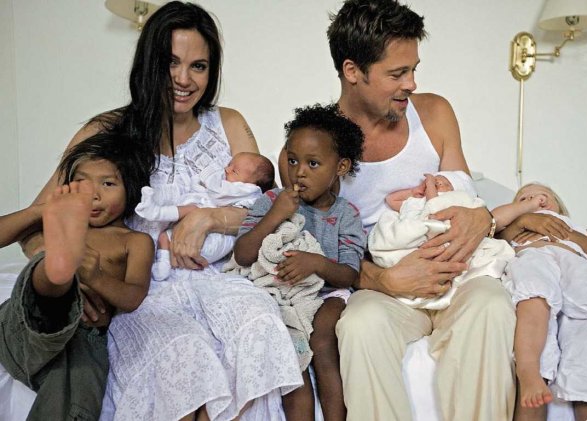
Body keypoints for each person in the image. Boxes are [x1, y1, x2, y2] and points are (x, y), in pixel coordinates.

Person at [18, 2, 303, 420]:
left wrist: (210, 217)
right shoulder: (106, 129)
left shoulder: (229, 123)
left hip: (220, 281)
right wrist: (77, 278)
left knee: (258, 324)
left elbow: (266, 209)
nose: (184, 79)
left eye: (199, 66)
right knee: (183, 353)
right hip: (145, 290)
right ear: (149, 62)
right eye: (171, 62)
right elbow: (36, 225)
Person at [279, 1, 517, 419]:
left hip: (460, 275)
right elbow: (315, 247)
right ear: (352, 71)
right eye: (397, 73)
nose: (411, 83)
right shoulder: (313, 151)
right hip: (383, 285)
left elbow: (464, 194)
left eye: (413, 69)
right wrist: (384, 279)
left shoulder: (435, 113)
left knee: (492, 305)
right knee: (359, 325)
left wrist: (484, 218)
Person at [0, 133, 153, 420]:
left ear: (131, 190)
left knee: (78, 396)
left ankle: (60, 270)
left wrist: (95, 276)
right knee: (46, 276)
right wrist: (41, 210)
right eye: (81, 184)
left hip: (82, 336)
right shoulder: (62, 220)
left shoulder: (134, 241)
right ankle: (58, 271)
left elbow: (134, 296)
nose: (93, 194)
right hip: (24, 323)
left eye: (108, 184)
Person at [235, 104, 365, 421]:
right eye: (293, 160)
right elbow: (243, 254)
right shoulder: (271, 201)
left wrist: (316, 263)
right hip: (280, 296)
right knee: (292, 353)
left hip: (328, 293)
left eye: (313, 163)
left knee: (322, 339)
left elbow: (348, 275)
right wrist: (275, 215)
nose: (299, 172)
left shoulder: (346, 214)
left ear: (341, 166)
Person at [492, 182, 587, 421]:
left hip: (573, 261)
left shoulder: (570, 227)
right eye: (523, 198)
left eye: (543, 196)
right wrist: (522, 215)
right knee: (535, 294)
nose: (535, 199)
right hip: (533, 257)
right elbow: (494, 225)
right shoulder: (512, 228)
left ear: (559, 207)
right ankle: (529, 373)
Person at [369, 170, 514, 310]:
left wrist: (430, 183)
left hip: (430, 230)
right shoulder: (415, 201)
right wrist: (414, 191)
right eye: (437, 179)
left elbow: (434, 208)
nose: (437, 182)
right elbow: (391, 199)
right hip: (408, 233)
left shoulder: (446, 201)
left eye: (445, 183)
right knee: (389, 230)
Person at [135, 152, 275, 281]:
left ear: (252, 185)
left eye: (234, 171)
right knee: (164, 237)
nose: (226, 169)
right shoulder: (237, 184)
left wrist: (205, 182)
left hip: (215, 239)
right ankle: (163, 265)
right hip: (195, 247)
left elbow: (218, 196)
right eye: (229, 164)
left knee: (193, 209)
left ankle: (156, 212)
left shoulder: (248, 192)